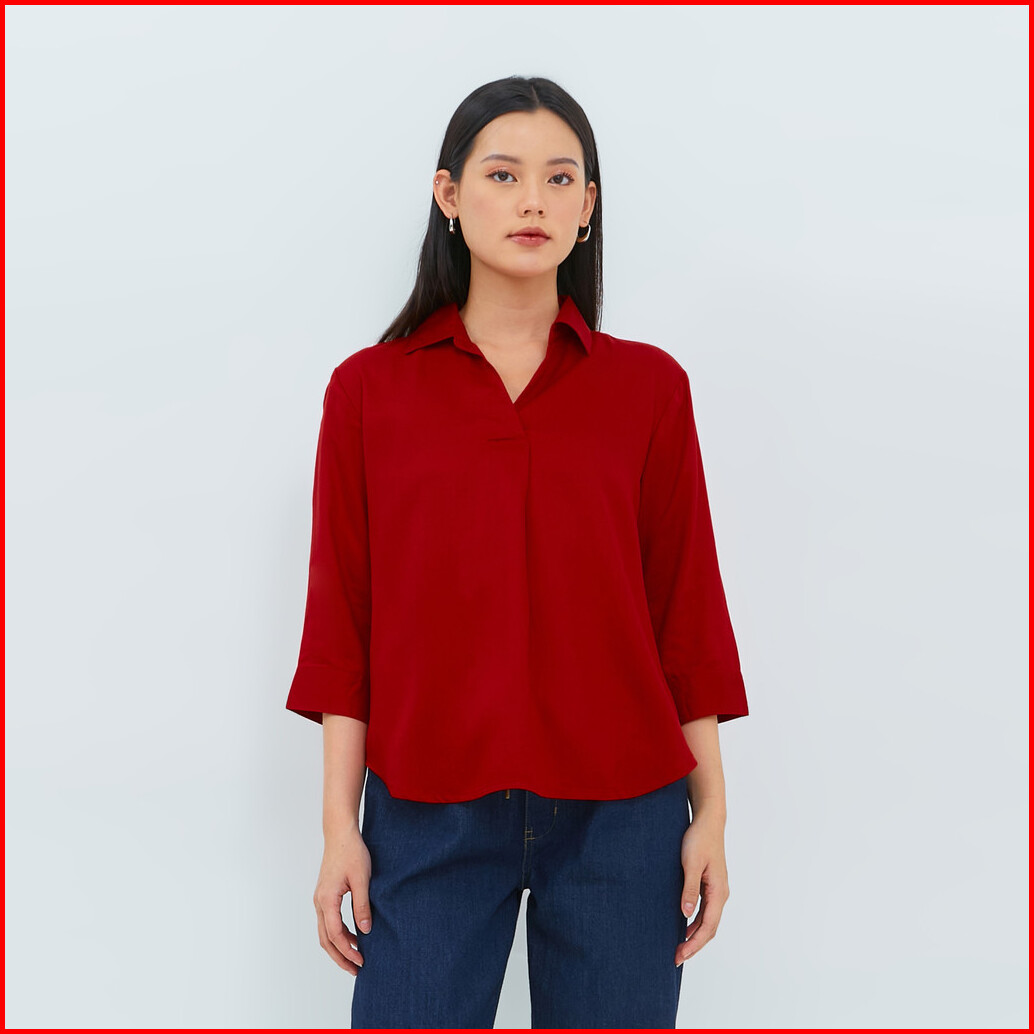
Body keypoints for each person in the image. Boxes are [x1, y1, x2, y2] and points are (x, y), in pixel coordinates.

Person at [285, 74, 750, 1029]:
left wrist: (712, 812)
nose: (533, 200)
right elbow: (343, 625)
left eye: (559, 178)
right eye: (503, 175)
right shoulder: (369, 392)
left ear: (589, 206)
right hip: (429, 806)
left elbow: (686, 611)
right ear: (449, 195)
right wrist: (340, 827)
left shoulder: (649, 390)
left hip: (625, 812)